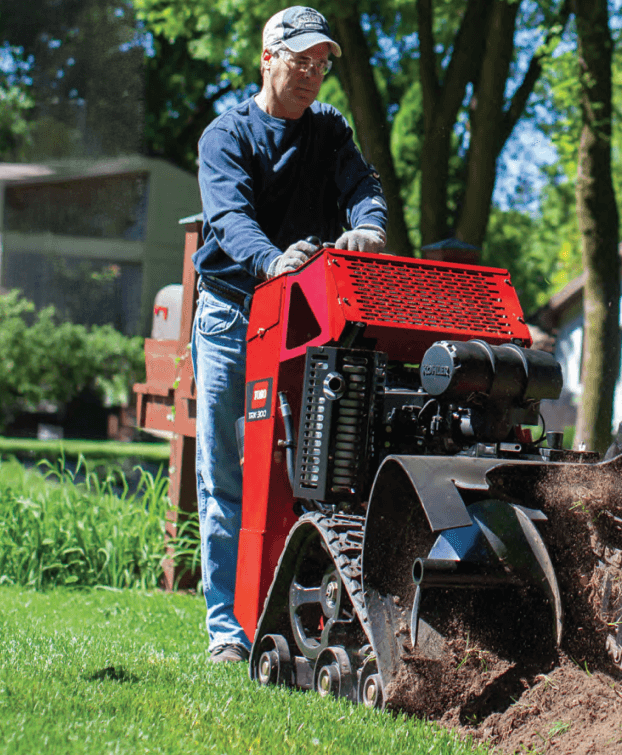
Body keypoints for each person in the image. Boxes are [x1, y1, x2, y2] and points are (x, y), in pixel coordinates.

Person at [192, 6, 388, 663]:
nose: (312, 75)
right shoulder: (226, 136)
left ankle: (292, 613)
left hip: (303, 314)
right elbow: (228, 220)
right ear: (268, 60)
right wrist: (273, 261)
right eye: (300, 61)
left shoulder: (328, 131)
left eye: (322, 64)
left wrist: (369, 226)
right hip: (232, 312)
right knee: (226, 470)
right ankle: (227, 630)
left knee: (311, 464)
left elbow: (362, 186)